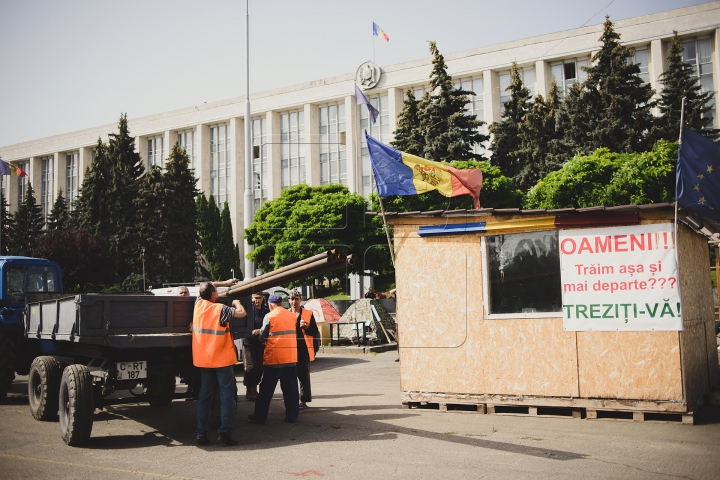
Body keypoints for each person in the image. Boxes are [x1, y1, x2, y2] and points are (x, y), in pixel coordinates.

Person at [192, 282, 247, 446]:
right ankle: (225, 434)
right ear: (214, 295)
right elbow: (242, 313)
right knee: (227, 396)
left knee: (205, 396)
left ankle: (201, 432)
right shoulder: (221, 309)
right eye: (216, 291)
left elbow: (205, 286)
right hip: (221, 359)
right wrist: (237, 302)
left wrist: (225, 284)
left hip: (204, 359)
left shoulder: (198, 304)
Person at [248, 294, 299, 424]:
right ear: (282, 303)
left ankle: (260, 416)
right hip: (290, 357)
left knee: (266, 390)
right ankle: (292, 416)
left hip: (274, 358)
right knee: (291, 389)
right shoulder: (292, 315)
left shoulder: (269, 316)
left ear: (270, 305)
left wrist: (257, 333)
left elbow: (262, 336)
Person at [289, 289, 318, 410]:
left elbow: (314, 331)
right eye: (292, 299)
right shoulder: (286, 314)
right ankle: (291, 401)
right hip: (289, 349)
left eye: (296, 299)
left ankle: (304, 401)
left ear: (300, 300)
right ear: (289, 300)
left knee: (303, 376)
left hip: (303, 350)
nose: (294, 301)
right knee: (290, 377)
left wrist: (306, 327)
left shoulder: (308, 314)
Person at [243, 292, 269, 401]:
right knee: (251, 366)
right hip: (249, 341)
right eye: (255, 298)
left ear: (262, 299)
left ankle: (255, 388)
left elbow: (268, 325)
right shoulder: (249, 310)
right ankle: (249, 390)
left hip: (260, 341)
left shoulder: (266, 311)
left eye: (259, 298)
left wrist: (261, 331)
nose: (257, 300)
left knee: (259, 367)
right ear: (252, 298)